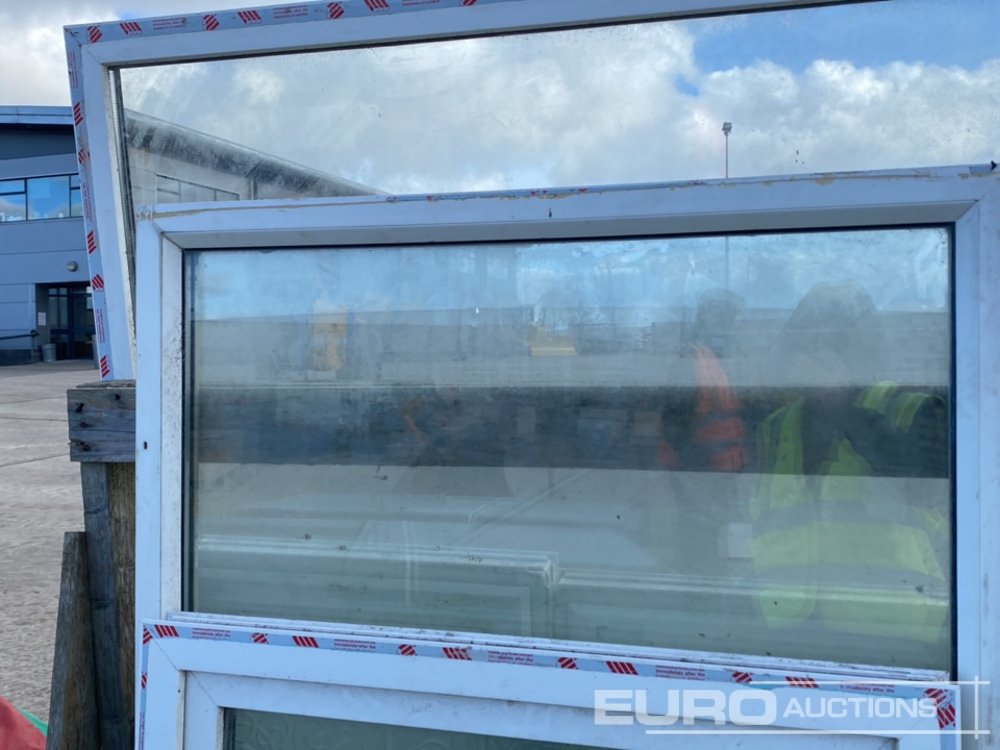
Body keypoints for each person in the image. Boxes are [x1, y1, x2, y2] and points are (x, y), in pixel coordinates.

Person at [750, 282, 949, 652]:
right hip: (788, 626)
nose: (815, 356)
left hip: (894, 631)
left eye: (831, 343)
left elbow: (921, 491)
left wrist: (843, 400)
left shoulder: (913, 411)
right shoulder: (774, 428)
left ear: (860, 350)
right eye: (805, 344)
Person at [659, 288, 747, 472]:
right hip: (701, 469)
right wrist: (695, 463)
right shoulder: (690, 361)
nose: (725, 322)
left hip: (726, 466)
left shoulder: (726, 361)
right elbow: (675, 423)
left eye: (730, 316)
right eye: (718, 314)